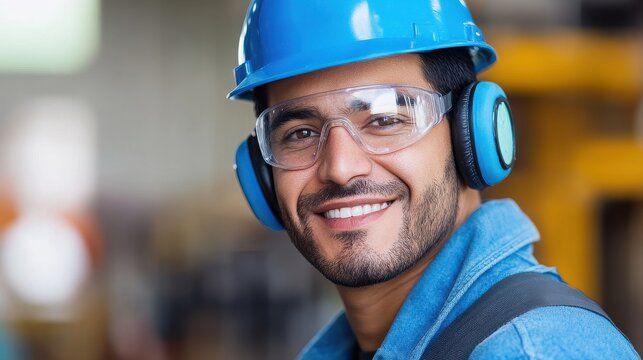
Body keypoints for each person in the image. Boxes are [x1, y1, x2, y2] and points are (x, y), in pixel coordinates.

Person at [227, 1, 639, 358]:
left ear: (472, 136)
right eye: (299, 133)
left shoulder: (529, 349)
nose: (340, 167)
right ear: (262, 175)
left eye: (385, 119)